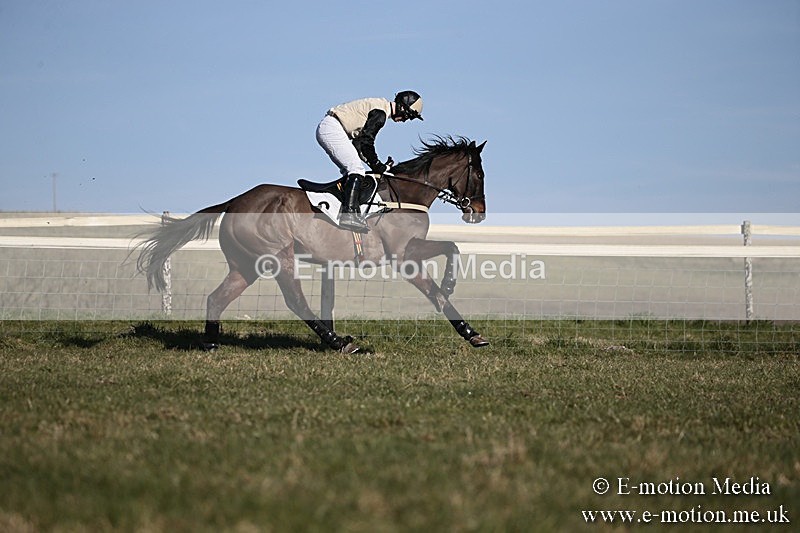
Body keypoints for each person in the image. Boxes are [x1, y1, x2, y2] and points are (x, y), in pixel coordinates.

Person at [316, 90, 423, 232]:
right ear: (402, 107)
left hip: (333, 127)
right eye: (408, 115)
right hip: (333, 128)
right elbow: (367, 142)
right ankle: (349, 214)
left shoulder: (380, 108)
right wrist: (377, 165)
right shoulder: (380, 113)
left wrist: (377, 165)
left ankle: (344, 206)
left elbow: (359, 146)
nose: (405, 120)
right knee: (356, 169)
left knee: (352, 171)